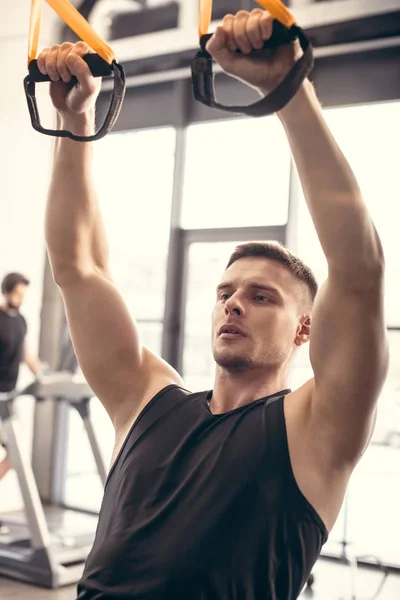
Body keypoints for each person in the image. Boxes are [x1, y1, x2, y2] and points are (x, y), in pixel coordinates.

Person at [38, 9, 388, 600]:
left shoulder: (316, 428)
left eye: (260, 297)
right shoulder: (145, 399)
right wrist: (74, 121)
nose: (233, 305)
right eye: (226, 292)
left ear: (305, 330)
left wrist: (287, 90)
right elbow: (80, 268)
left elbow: (359, 273)